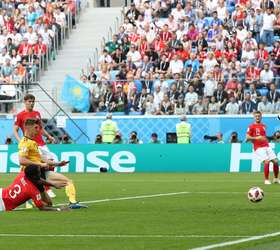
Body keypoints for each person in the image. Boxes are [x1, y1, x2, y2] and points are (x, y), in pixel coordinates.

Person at [18, 118, 87, 209]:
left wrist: (57, 164)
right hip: (31, 177)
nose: (38, 130)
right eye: (36, 128)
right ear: (28, 128)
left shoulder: (33, 142)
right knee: (43, 202)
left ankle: (72, 203)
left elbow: (41, 158)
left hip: (41, 173)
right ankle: (31, 200)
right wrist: (40, 164)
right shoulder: (24, 143)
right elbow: (22, 160)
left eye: (38, 128)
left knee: (68, 182)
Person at [13, 94, 56, 199]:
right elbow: (15, 130)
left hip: (41, 143)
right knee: (36, 166)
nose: (31, 103)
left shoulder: (37, 113)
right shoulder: (20, 115)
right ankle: (42, 189)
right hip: (30, 144)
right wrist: (20, 141)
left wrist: (49, 136)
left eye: (33, 101)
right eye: (29, 101)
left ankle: (46, 187)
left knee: (51, 162)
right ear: (25, 102)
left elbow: (40, 128)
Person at [0, 165, 68, 212]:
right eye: (38, 172)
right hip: (3, 204)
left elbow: (38, 179)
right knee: (48, 204)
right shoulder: (32, 190)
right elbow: (42, 208)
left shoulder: (23, 174)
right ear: (34, 176)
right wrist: (59, 209)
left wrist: (53, 184)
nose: (40, 173)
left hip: (2, 192)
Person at [246, 111, 279, 185]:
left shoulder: (264, 126)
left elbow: (264, 137)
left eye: (259, 116)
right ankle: (266, 180)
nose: (257, 117)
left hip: (266, 146)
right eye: (256, 116)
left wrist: (275, 136)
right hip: (258, 147)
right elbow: (247, 137)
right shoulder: (251, 126)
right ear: (254, 117)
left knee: (276, 161)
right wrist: (257, 138)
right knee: (267, 161)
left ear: (261, 117)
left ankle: (276, 179)